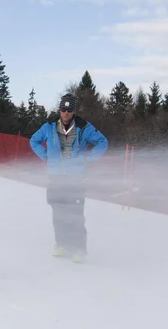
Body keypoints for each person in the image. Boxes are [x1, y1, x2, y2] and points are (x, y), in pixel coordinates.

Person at [29, 93, 108, 263]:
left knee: (75, 215)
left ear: (74, 111)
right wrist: (46, 157)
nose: (65, 113)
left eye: (69, 110)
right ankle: (62, 245)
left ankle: (79, 249)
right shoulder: (48, 127)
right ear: (59, 110)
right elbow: (34, 141)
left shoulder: (83, 127)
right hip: (55, 178)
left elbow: (103, 142)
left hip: (75, 179)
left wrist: (87, 160)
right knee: (58, 213)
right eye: (63, 109)